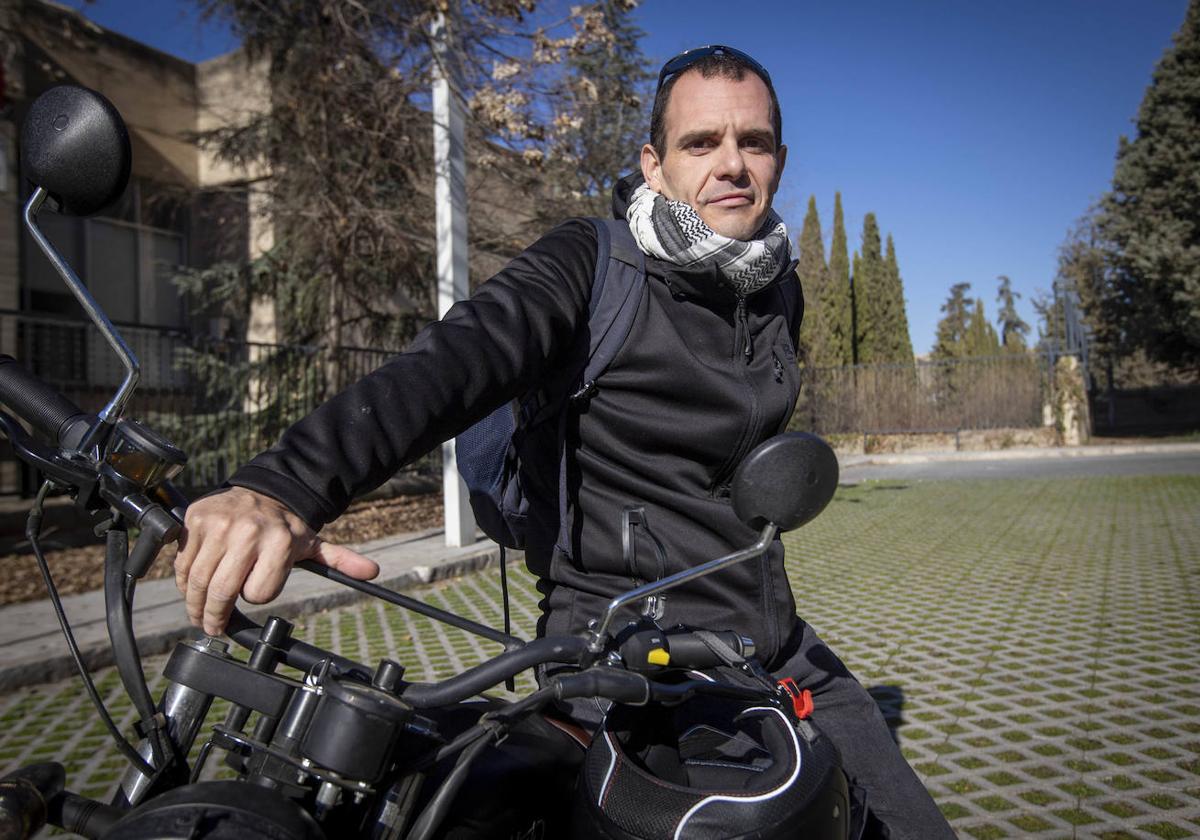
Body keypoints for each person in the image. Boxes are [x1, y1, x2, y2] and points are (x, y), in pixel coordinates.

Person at [175, 45, 954, 838]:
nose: (731, 165)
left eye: (752, 143)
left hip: (773, 649)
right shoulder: (595, 263)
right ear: (654, 164)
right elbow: (456, 359)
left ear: (779, 162)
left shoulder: (776, 288)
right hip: (625, 663)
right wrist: (284, 487)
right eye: (700, 143)